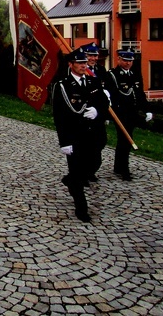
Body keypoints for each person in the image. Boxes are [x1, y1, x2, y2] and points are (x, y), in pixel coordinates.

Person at [52, 47, 110, 223]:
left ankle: (70, 180)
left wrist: (98, 111)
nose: (84, 65)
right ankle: (81, 209)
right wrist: (64, 141)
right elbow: (59, 115)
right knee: (77, 172)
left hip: (92, 134)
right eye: (80, 63)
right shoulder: (62, 86)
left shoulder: (93, 82)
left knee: (94, 163)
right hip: (74, 134)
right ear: (71, 65)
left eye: (85, 62)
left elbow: (104, 102)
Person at [105, 50, 152, 181]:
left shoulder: (135, 74)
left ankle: (118, 166)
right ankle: (124, 169)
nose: (128, 63)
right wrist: (108, 116)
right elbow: (110, 96)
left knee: (125, 139)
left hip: (133, 112)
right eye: (125, 60)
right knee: (125, 139)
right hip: (120, 113)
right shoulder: (112, 75)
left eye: (130, 61)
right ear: (119, 60)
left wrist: (147, 110)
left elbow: (140, 94)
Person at [82, 42, 109, 181]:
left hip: (99, 112)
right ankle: (86, 172)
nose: (93, 58)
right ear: (85, 55)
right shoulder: (81, 71)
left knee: (101, 141)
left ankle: (92, 168)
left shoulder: (101, 70)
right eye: (90, 55)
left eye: (95, 55)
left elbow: (105, 90)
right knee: (87, 143)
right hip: (86, 112)